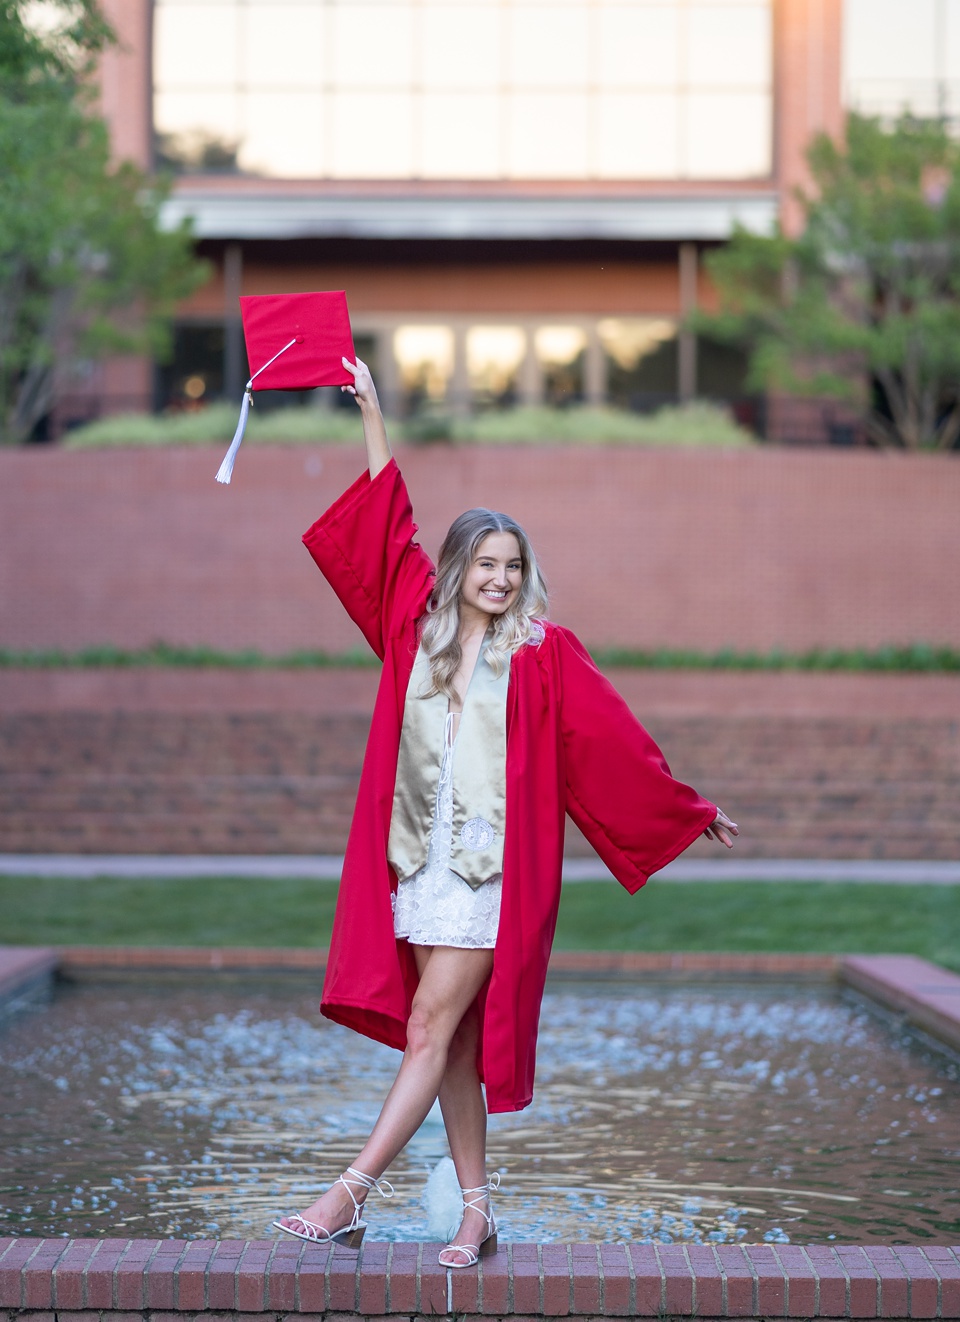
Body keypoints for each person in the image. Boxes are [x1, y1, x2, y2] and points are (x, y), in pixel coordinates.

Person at [273, 358, 738, 1267]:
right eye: (485, 564)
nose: (499, 578)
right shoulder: (416, 631)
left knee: (430, 1026)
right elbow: (386, 524)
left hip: (491, 875)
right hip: (420, 866)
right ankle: (477, 1214)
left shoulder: (542, 652)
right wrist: (372, 413)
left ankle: (348, 1195)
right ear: (457, 570)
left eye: (512, 566)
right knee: (449, 1047)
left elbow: (610, 742)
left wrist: (686, 808)